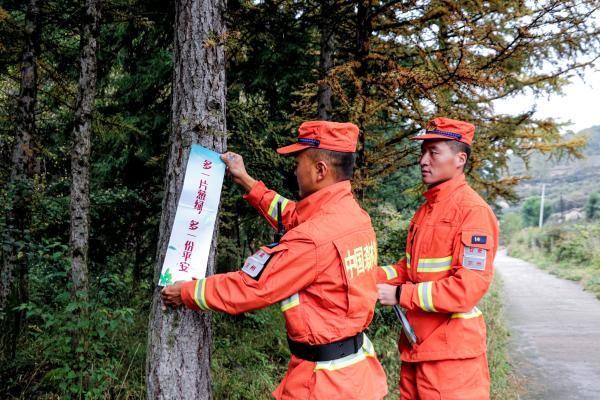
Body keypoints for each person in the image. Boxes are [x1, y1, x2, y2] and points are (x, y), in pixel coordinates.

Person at [161, 121, 388, 400]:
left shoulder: (312, 239)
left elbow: (250, 288)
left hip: (323, 385)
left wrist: (185, 291)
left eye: (299, 161)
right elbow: (294, 215)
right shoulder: (352, 215)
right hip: (357, 374)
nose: (294, 169)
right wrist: (247, 181)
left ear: (320, 170)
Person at [377, 117, 499, 399]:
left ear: (459, 159)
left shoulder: (473, 213)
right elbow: (408, 270)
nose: (423, 160)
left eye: (433, 152)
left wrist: (399, 294)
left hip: (451, 361)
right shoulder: (426, 211)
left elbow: (464, 291)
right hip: (417, 349)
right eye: (423, 152)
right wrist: (363, 278)